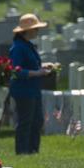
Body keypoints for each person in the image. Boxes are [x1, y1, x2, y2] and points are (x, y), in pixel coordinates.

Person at [8, 13, 53, 154]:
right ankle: (22, 151)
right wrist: (39, 73)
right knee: (25, 122)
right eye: (35, 28)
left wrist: (44, 66)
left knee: (37, 120)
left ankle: (33, 150)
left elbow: (31, 65)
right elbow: (16, 71)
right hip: (23, 90)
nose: (37, 31)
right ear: (26, 31)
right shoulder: (18, 47)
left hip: (33, 89)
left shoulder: (28, 45)